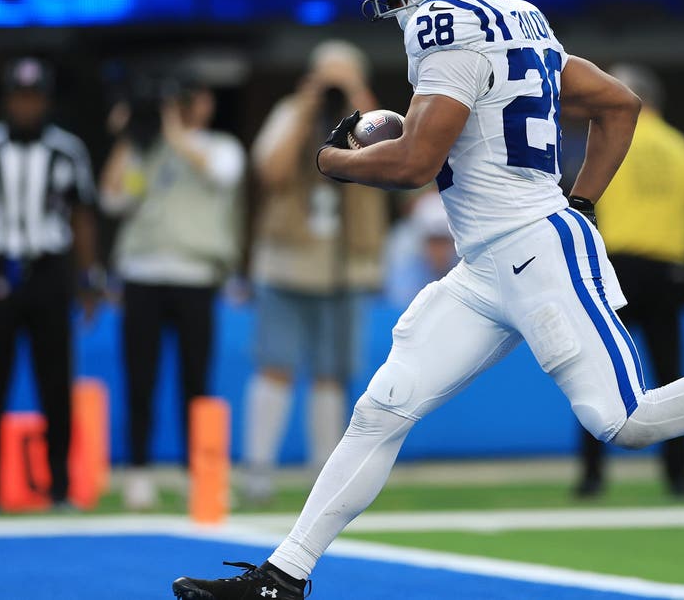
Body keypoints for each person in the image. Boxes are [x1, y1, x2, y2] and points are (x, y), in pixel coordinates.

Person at [171, 0, 684, 597]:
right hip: (489, 260)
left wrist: (334, 158)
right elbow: (616, 104)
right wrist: (578, 200)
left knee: (625, 419)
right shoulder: (525, 23)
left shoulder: (445, 25)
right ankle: (283, 577)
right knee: (382, 406)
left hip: (533, 251)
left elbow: (417, 161)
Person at [0, 57, 101, 511]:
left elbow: (83, 217)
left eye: (35, 97)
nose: (27, 105)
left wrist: (89, 278)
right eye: (20, 96)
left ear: (46, 100)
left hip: (49, 269)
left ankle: (59, 488)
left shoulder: (68, 150)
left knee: (56, 382)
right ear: (8, 99)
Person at [242, 40, 388, 502]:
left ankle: (324, 473)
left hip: (346, 265)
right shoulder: (291, 112)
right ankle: (258, 468)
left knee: (332, 372)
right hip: (288, 261)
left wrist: (359, 102)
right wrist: (307, 111)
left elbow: (392, 165)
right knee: (275, 366)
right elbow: (270, 171)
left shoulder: (372, 118)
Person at [99, 78, 245, 510]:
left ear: (206, 103)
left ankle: (197, 472)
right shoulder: (142, 150)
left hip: (195, 276)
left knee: (195, 381)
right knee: (139, 379)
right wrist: (129, 137)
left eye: (187, 100)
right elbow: (111, 199)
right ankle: (138, 472)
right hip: (141, 273)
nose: (181, 108)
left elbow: (222, 175)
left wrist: (171, 131)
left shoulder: (220, 147)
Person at [572, 64, 684, 498]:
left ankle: (592, 476)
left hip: (618, 268)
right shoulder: (683, 149)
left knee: (598, 371)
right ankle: (679, 476)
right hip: (669, 271)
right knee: (673, 378)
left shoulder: (614, 136)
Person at [383, 190, 457, 308]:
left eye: (445, 241)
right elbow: (398, 304)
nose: (440, 251)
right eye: (434, 241)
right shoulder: (406, 269)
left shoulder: (467, 267)